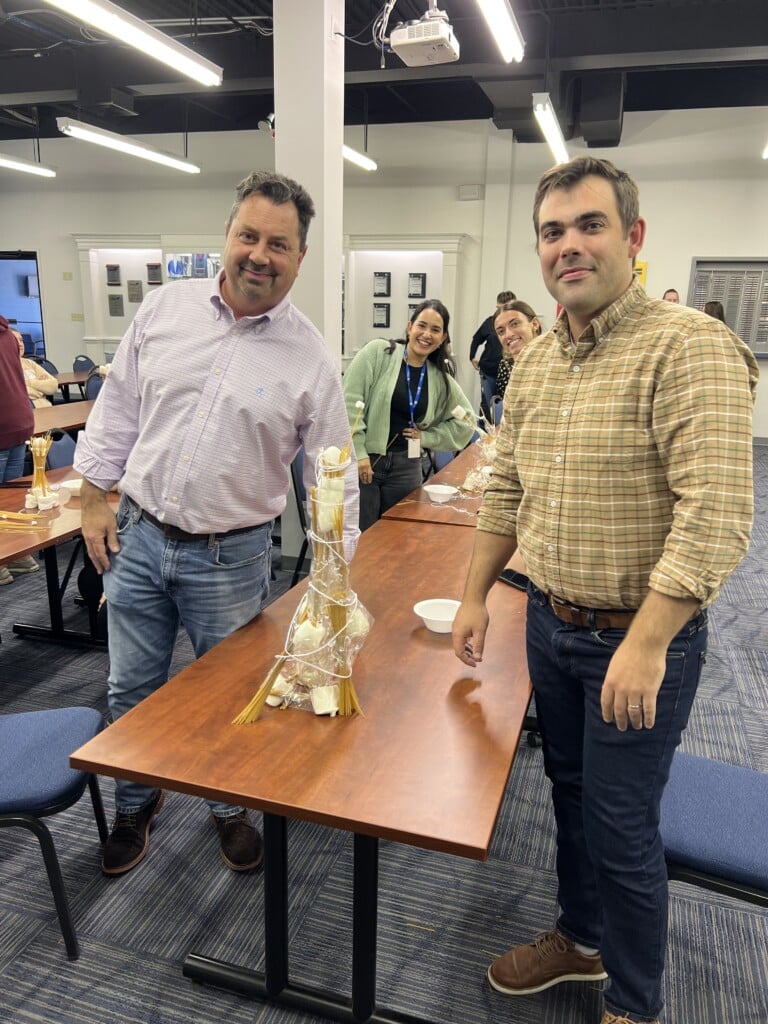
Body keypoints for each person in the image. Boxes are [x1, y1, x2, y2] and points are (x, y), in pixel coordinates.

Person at [452, 156, 758, 1024]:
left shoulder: (686, 345)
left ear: (633, 237)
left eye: (589, 225)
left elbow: (717, 516)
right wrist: (477, 596)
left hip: (638, 641)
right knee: (571, 799)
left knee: (624, 831)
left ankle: (633, 1002)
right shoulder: (541, 359)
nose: (568, 246)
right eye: (553, 231)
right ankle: (580, 943)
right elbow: (506, 486)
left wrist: (649, 642)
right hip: (551, 624)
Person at [73, 170, 360, 877]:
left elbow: (332, 472)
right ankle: (138, 801)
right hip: (137, 536)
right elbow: (118, 412)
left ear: (300, 257)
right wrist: (89, 499)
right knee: (129, 688)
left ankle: (228, 805)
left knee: (232, 695)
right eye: (248, 236)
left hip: (229, 560)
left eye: (279, 244)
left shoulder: (311, 358)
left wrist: (335, 578)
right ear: (228, 237)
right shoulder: (164, 311)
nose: (259, 254)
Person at [343, 299, 475, 531]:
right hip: (368, 464)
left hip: (408, 467)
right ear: (409, 326)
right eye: (421, 325)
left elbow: (467, 422)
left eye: (435, 330)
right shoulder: (378, 353)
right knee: (362, 538)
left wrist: (428, 438)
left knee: (399, 538)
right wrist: (359, 453)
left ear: (443, 338)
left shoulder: (439, 377)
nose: (426, 334)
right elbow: (349, 404)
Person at [0, 316, 39, 585]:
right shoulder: (8, 335)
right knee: (10, 496)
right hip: (20, 419)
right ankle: (18, 555)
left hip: (1, 424)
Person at [469, 289, 516, 420]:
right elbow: (476, 339)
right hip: (489, 371)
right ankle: (486, 436)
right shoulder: (489, 322)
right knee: (487, 406)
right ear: (497, 306)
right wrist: (472, 356)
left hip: (510, 372)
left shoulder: (518, 324)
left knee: (508, 406)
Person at [493, 300, 542, 401]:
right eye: (501, 331)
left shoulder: (554, 361)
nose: (508, 335)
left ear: (535, 324)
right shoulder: (506, 366)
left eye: (515, 324)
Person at [14, 330, 58, 407]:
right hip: (27, 412)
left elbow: (53, 386)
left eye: (21, 340)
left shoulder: (30, 363)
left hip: (48, 409)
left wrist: (28, 383)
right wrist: (41, 390)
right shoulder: (5, 367)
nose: (20, 344)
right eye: (15, 340)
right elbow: (18, 393)